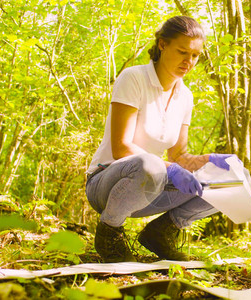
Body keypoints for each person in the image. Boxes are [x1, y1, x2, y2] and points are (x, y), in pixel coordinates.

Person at [85, 16, 238, 262]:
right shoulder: (133, 78)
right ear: (162, 45)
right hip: (107, 183)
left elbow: (178, 157)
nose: (188, 62)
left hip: (151, 188)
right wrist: (169, 169)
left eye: (195, 56)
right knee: (151, 165)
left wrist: (209, 161)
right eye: (182, 52)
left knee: (228, 181)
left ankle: (161, 232)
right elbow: (121, 147)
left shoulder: (185, 96)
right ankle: (109, 233)